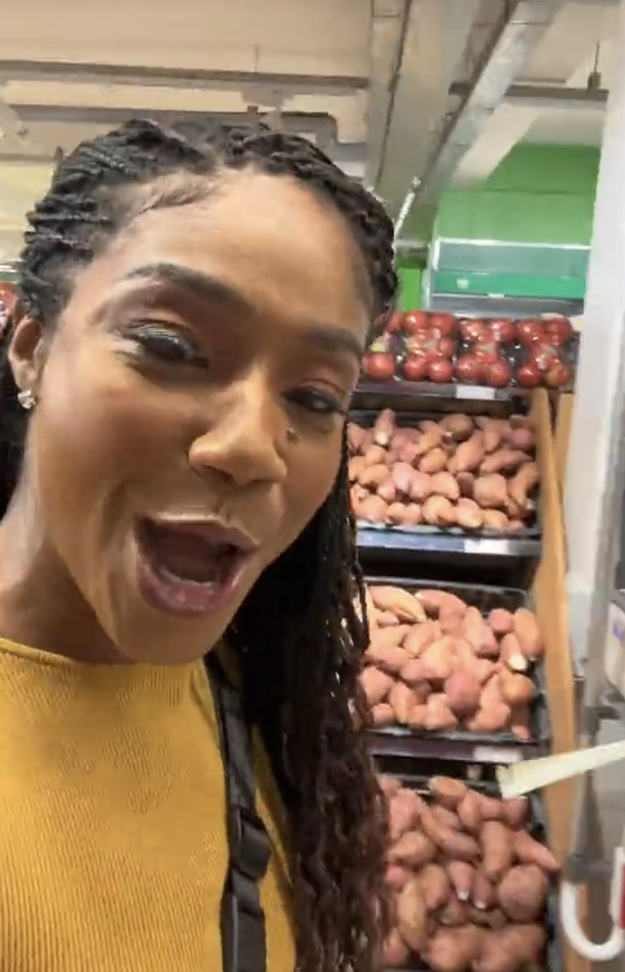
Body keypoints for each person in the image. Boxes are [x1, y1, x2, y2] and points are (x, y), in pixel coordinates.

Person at [0, 118, 397, 972]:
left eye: (316, 397)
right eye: (171, 347)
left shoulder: (252, 698)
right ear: (30, 345)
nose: (253, 446)